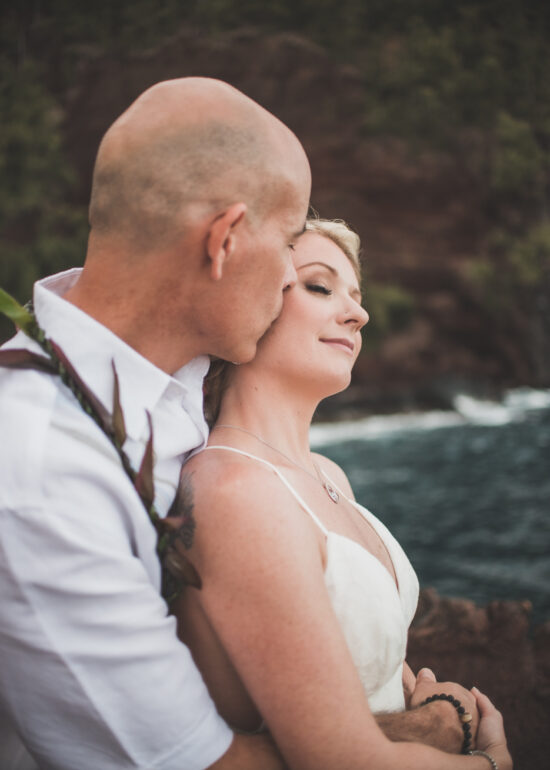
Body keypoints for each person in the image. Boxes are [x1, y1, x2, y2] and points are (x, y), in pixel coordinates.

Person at [0, 76, 311, 770]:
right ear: (225, 240)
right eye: (290, 241)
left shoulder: (187, 378)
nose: (292, 276)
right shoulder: (40, 472)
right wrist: (426, 738)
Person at [175, 218, 513, 770]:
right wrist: (493, 762)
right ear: (248, 300)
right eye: (319, 286)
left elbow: (378, 669)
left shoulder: (326, 474)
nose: (359, 313)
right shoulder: (235, 490)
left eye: (356, 296)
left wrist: (438, 709)